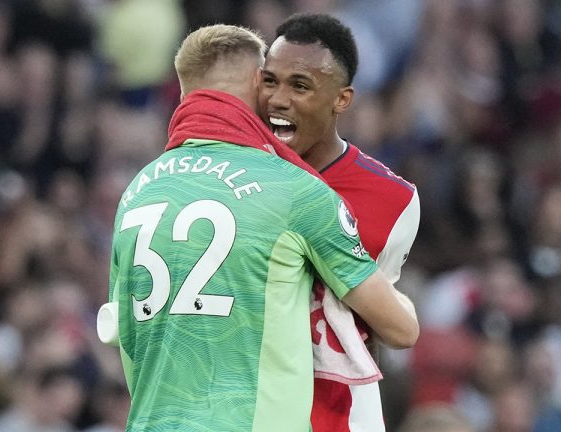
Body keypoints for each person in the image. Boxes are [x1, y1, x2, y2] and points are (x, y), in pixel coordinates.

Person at [104, 24, 419, 431]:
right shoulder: (295, 190)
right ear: (256, 83)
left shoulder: (138, 190)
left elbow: (120, 327)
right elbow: (400, 328)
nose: (278, 99)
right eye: (270, 81)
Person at [259, 14, 421, 432]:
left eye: (299, 85)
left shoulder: (394, 200)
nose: (278, 99)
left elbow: (374, 325)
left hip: (334, 414)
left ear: (342, 99)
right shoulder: (238, 176)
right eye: (269, 81)